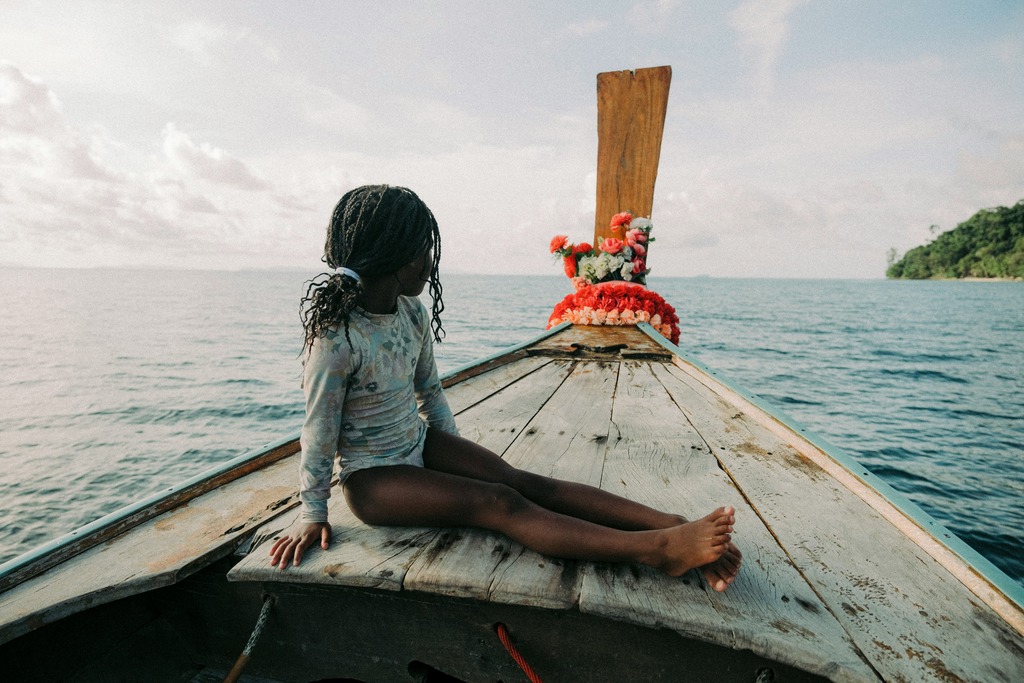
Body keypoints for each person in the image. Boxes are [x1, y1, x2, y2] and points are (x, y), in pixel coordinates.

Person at [269, 185, 742, 591]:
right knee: (497, 502)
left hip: (418, 444)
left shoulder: (409, 314)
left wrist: (452, 455)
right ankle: (658, 550)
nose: (429, 261)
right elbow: (318, 430)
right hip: (373, 481)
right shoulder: (337, 338)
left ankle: (671, 524)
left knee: (522, 481)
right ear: (392, 258)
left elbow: (429, 393)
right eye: (421, 250)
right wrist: (313, 513)